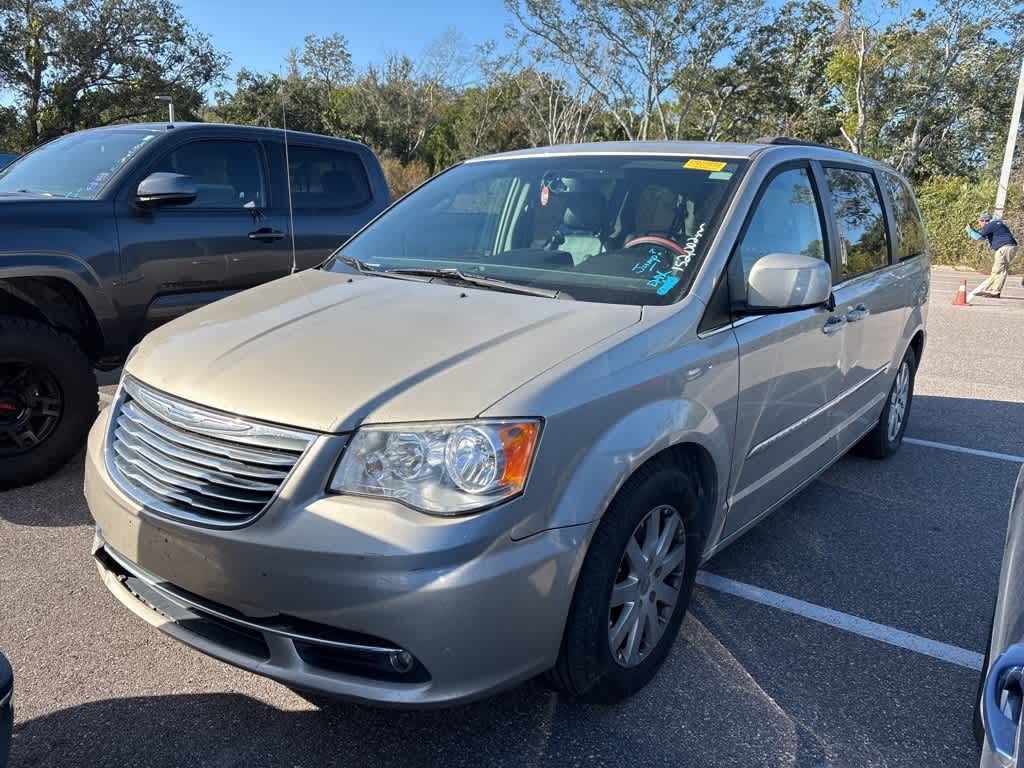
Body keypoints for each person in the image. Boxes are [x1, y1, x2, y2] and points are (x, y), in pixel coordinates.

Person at [966, 212, 1018, 299]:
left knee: (998, 270)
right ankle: (991, 290)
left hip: (1004, 248)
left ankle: (994, 291)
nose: (980, 223)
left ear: (985, 221)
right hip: (1008, 248)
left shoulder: (991, 225)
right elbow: (982, 237)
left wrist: (969, 231)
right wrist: (973, 230)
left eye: (980, 221)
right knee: (1000, 270)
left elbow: (979, 237)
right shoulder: (996, 224)